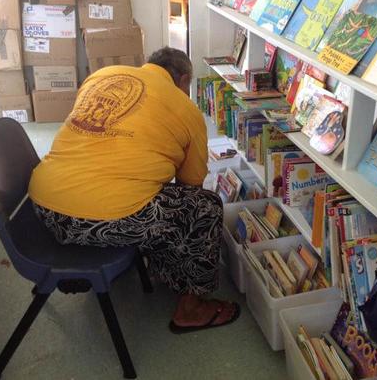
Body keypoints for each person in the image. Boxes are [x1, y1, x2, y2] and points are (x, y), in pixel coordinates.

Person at [28, 47, 239, 333]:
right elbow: (190, 185)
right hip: (101, 221)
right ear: (184, 79)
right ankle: (191, 308)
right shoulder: (186, 108)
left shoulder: (101, 76)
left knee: (147, 191)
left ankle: (160, 270)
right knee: (203, 207)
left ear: (148, 66)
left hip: (43, 207)